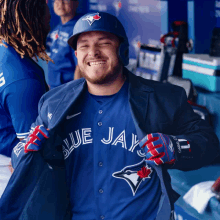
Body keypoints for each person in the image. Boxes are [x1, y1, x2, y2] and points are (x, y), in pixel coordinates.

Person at [1, 12, 219, 220]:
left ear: (122, 50)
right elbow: (21, 159)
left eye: (103, 43)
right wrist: (26, 150)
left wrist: (175, 147)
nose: (93, 52)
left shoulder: (163, 98)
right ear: (76, 55)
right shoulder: (54, 103)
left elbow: (209, 144)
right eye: (84, 46)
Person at [0, 0, 52, 157]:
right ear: (31, 22)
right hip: (10, 166)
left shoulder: (4, 51)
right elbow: (31, 154)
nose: (49, 28)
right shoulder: (24, 79)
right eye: (47, 21)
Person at [46, 0, 82, 89]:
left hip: (67, 88)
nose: (60, 4)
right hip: (54, 86)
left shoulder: (78, 29)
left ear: (76, 3)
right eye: (56, 1)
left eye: (65, 1)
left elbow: (80, 67)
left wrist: (76, 92)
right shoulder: (57, 28)